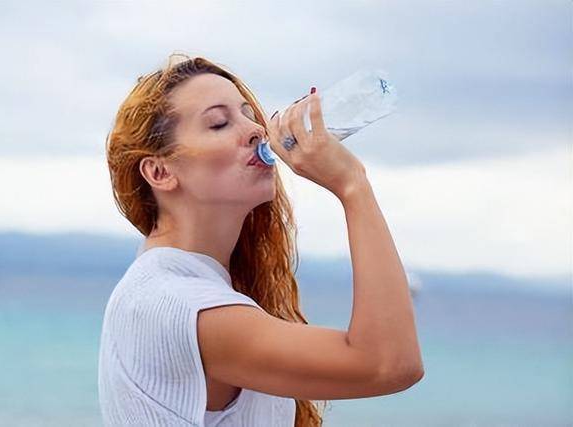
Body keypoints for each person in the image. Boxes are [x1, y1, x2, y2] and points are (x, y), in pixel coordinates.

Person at [98, 53, 424, 427]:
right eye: (219, 123)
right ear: (159, 171)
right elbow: (389, 363)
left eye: (249, 114)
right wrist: (353, 185)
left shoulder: (177, 289)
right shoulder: (180, 307)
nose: (257, 130)